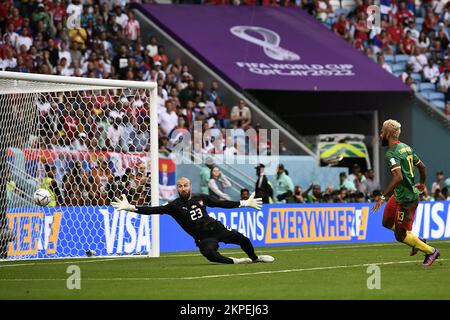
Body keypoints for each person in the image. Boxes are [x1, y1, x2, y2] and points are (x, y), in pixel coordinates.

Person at [111, 177, 274, 264]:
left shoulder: (200, 197)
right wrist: (131, 207)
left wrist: (244, 203)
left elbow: (221, 203)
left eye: (186, 185)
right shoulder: (173, 206)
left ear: (190, 186)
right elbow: (153, 210)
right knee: (210, 254)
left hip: (217, 228)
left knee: (243, 239)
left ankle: (254, 258)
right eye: (180, 186)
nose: (183, 188)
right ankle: (236, 262)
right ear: (177, 188)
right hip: (203, 238)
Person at [372, 119, 440, 267]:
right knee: (386, 222)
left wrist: (382, 196)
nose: (380, 134)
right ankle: (416, 239)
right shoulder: (407, 148)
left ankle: (431, 251)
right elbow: (422, 167)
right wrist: (421, 183)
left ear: (388, 133)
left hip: (407, 199)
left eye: (382, 132)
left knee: (400, 235)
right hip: (399, 195)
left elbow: (398, 177)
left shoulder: (391, 153)